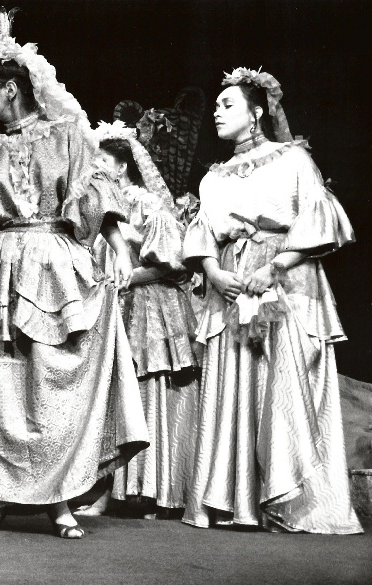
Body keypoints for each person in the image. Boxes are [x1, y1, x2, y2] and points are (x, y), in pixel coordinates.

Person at [0, 10, 149, 539]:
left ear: (11, 88)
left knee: (53, 383)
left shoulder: (67, 135)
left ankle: (59, 499)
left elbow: (93, 196)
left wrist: (119, 249)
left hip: (55, 262)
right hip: (0, 266)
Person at [181, 68, 362, 534]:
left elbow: (318, 222)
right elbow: (203, 233)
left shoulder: (292, 160)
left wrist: (274, 267)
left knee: (281, 382)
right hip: (231, 283)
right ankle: (234, 500)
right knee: (233, 380)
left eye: (228, 105)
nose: (217, 113)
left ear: (256, 112)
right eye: (216, 106)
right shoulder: (214, 177)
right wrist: (213, 271)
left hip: (284, 280)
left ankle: (290, 500)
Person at [75, 121, 200, 519]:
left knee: (148, 393)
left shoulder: (146, 204)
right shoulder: (95, 204)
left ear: (123, 166)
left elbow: (172, 263)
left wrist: (126, 280)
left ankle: (151, 491)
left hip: (149, 306)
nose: (95, 167)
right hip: (111, 302)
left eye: (103, 161)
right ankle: (108, 489)